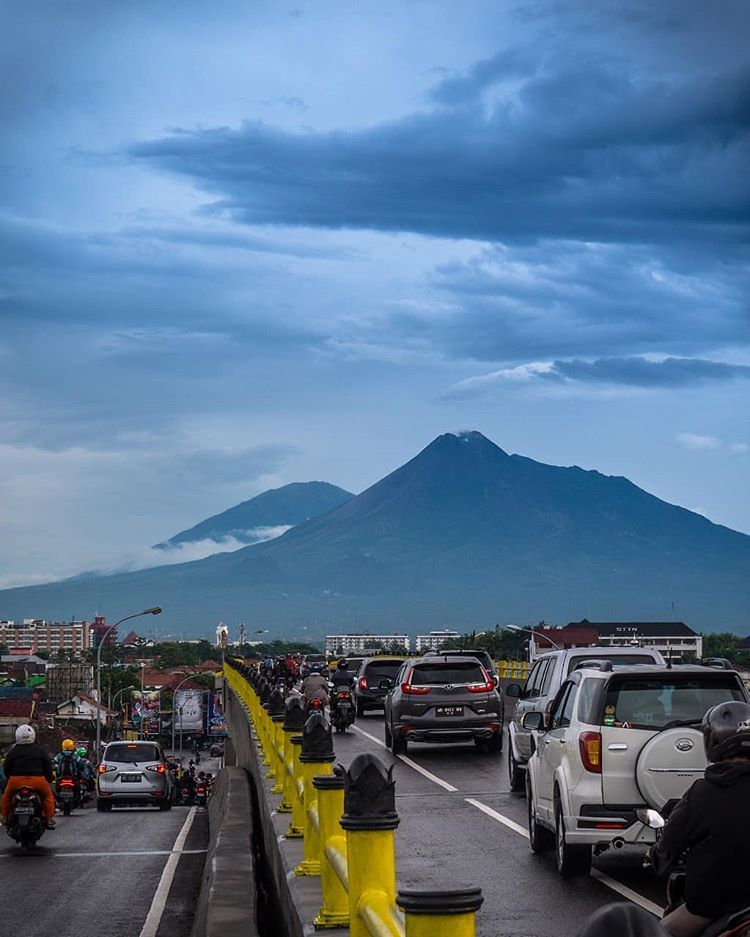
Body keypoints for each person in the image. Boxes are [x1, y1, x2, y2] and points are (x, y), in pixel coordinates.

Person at [650, 700, 750, 937]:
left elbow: (669, 844)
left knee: (655, 933)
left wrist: (656, 856)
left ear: (713, 740)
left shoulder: (702, 792)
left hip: (710, 908)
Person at [0, 725, 56, 829]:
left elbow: (6, 767)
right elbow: (47, 766)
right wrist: (49, 778)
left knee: (6, 797)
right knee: (48, 797)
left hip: (16, 780)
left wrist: (9, 779)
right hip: (38, 781)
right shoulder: (40, 751)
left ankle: (5, 817)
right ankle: (49, 819)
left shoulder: (13, 752)